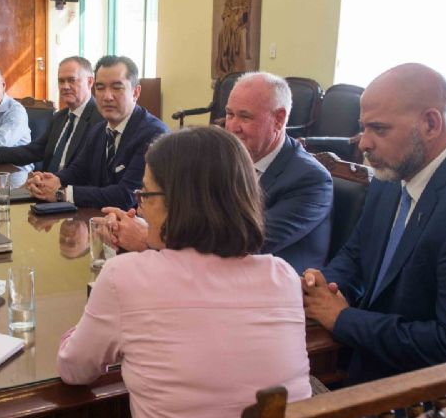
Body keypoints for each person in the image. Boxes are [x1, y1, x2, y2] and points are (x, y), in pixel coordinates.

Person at [57, 127, 311, 418]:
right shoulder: (283, 276)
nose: (141, 208)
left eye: (146, 194)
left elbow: (75, 370)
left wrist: (81, 328)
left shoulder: (125, 277)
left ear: (182, 201)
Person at [302, 63, 446, 385]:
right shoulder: (393, 173)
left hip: (423, 402)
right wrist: (321, 288)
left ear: (431, 123)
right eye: (363, 128)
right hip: (367, 364)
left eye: (379, 129)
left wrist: (343, 319)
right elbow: (358, 253)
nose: (363, 143)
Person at [105, 71, 331, 274]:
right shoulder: (227, 160)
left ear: (279, 119)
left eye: (245, 117)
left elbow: (247, 242)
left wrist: (150, 237)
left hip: (274, 298)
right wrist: (131, 222)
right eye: (230, 114)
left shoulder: (310, 180)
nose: (233, 127)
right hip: (208, 278)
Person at [26, 55, 169, 210]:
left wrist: (62, 193)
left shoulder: (153, 134)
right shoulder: (98, 130)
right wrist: (45, 181)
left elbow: (126, 195)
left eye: (116, 87)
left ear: (135, 92)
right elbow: (76, 172)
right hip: (98, 222)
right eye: (100, 88)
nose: (107, 96)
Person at [0, 56, 102, 172]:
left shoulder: (101, 119)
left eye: (72, 80)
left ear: (90, 82)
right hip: (46, 193)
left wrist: (57, 184)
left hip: (73, 196)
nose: (65, 86)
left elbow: (91, 173)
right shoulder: (60, 117)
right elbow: (34, 151)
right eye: (61, 81)